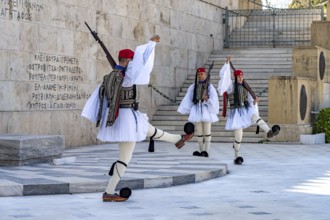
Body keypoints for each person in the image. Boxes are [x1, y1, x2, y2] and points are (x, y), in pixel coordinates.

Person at [81, 35, 194, 202]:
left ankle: (178, 139)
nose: (133, 64)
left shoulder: (109, 77)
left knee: (150, 130)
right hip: (125, 120)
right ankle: (109, 192)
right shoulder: (125, 77)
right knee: (124, 159)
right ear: (126, 61)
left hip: (124, 118)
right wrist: (151, 44)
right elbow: (141, 64)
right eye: (130, 61)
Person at [217, 56, 280, 165]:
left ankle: (269, 132)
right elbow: (224, 80)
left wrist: (255, 99)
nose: (241, 78)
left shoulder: (246, 87)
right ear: (235, 77)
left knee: (255, 116)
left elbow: (250, 98)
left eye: (242, 76)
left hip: (245, 109)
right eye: (239, 77)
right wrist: (227, 64)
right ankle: (236, 156)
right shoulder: (231, 87)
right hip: (236, 112)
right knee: (238, 137)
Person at [177, 67, 219, 157]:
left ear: (205, 75)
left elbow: (214, 99)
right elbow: (189, 98)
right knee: (199, 132)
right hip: (197, 109)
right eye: (198, 74)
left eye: (201, 74)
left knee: (207, 131)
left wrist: (207, 99)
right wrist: (187, 108)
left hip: (206, 110)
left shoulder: (209, 86)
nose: (200, 76)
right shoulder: (193, 86)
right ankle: (201, 150)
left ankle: (206, 151)